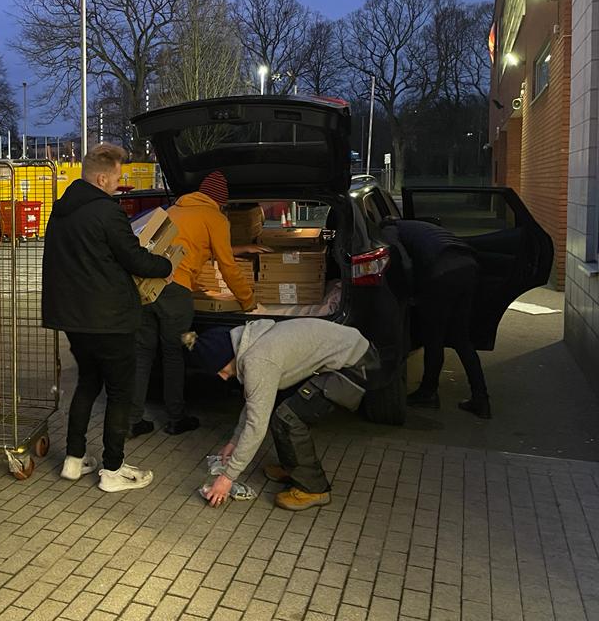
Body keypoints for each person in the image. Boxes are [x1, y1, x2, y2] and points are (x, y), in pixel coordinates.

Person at [42, 143, 173, 492]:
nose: (120, 182)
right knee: (119, 391)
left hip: (74, 318)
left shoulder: (61, 210)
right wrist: (166, 264)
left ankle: (74, 459)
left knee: (88, 383)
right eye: (117, 176)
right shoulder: (105, 211)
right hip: (110, 319)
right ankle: (113, 470)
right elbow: (135, 260)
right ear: (102, 178)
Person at [188, 319, 379, 511]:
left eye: (220, 369)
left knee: (287, 417)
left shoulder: (258, 360)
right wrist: (234, 441)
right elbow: (255, 401)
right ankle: (293, 468)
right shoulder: (249, 341)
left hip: (357, 367)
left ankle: (313, 488)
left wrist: (227, 478)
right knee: (280, 410)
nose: (222, 376)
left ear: (227, 357)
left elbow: (256, 425)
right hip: (349, 354)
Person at [130, 171, 255, 438]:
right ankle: (176, 418)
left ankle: (132, 420)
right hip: (176, 295)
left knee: (142, 354)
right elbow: (228, 266)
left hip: (146, 288)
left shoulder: (174, 209)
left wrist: (197, 285)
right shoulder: (215, 218)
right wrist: (248, 301)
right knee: (175, 353)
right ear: (221, 201)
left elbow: (184, 249)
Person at [384, 218, 491, 419]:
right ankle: (481, 399)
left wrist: (410, 293)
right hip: (468, 266)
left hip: (442, 273)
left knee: (433, 337)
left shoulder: (390, 229)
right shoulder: (419, 227)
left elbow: (404, 261)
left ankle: (428, 393)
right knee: (462, 339)